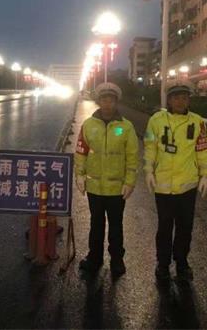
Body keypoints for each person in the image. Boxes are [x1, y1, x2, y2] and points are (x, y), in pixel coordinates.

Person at [144, 83, 207, 282]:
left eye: (184, 97)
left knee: (185, 227)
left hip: (187, 185)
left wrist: (206, 174)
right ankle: (163, 264)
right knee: (164, 227)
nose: (180, 101)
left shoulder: (197, 122)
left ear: (189, 100)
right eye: (176, 97)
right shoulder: (156, 120)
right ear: (169, 100)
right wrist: (148, 171)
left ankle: (182, 262)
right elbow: (149, 146)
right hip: (163, 184)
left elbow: (203, 150)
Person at [74, 82, 139, 277]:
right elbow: (81, 152)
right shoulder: (88, 125)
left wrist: (130, 182)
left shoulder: (126, 127)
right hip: (94, 186)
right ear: (99, 101)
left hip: (117, 188)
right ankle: (94, 258)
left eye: (111, 99)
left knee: (116, 226)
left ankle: (117, 260)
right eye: (104, 99)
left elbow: (132, 156)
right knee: (96, 224)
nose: (107, 103)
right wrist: (80, 175)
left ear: (116, 102)